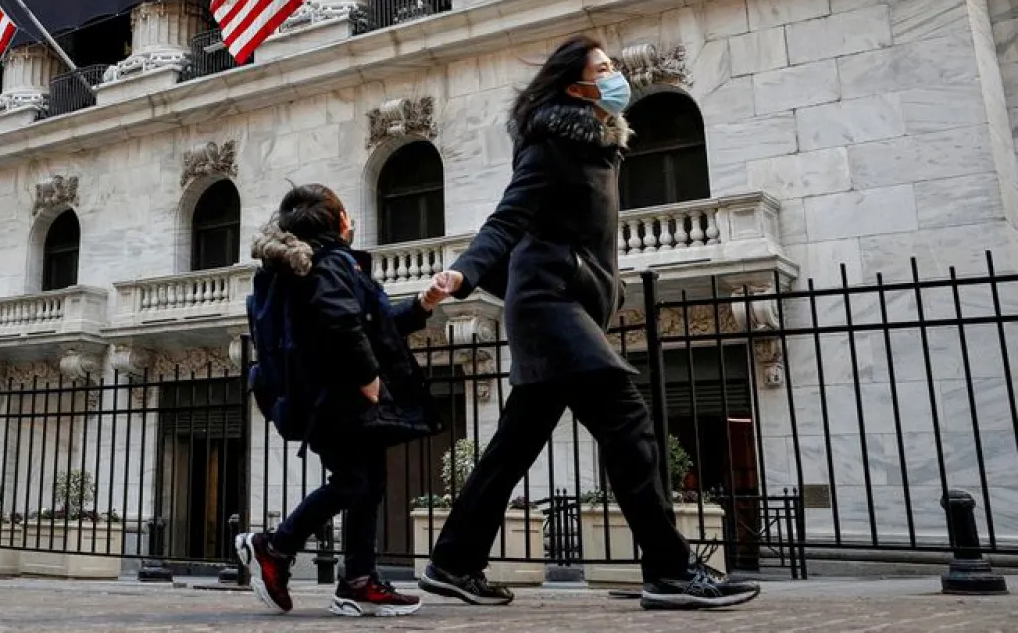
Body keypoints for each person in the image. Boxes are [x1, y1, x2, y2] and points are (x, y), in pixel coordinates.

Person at [416, 36, 761, 612]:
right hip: (550, 304)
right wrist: (461, 274)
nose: (615, 75)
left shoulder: (599, 143)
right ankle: (671, 571)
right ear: (575, 85)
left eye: (613, 67)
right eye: (602, 69)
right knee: (631, 429)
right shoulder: (554, 141)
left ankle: (453, 562)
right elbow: (507, 218)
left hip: (565, 300)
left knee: (512, 447)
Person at [235, 184, 443, 617]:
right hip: (338, 400)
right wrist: (367, 376)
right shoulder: (332, 265)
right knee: (354, 483)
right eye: (346, 212)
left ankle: (358, 582)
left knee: (367, 486)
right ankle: (274, 546)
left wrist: (423, 305)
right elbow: (340, 320)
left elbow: (374, 325)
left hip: (333, 400)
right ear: (341, 220)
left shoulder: (318, 265)